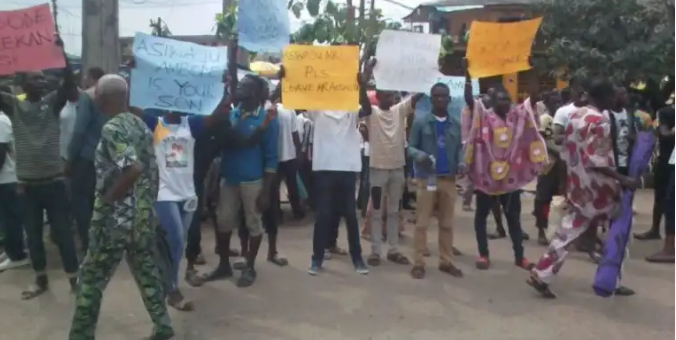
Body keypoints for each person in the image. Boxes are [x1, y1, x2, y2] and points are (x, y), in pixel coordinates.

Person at [69, 74, 174, 340]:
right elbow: (151, 169)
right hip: (140, 219)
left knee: (91, 279)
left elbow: (133, 168)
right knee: (146, 273)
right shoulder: (140, 125)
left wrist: (108, 200)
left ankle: (81, 334)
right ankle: (162, 325)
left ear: (104, 99)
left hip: (114, 221)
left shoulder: (112, 128)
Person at [528, 77, 639, 299]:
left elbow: (567, 152)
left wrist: (567, 181)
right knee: (622, 228)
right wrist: (623, 180)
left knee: (567, 232)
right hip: (601, 189)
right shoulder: (600, 121)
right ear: (605, 97)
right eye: (613, 95)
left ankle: (542, 273)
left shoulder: (575, 115)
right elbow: (598, 160)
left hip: (579, 185)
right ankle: (611, 280)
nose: (615, 99)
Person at [0, 37, 80, 299]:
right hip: (27, 186)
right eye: (35, 78)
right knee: (34, 237)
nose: (42, 81)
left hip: (54, 183)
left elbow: (69, 84)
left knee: (64, 235)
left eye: (43, 78)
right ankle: (41, 281)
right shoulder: (14, 106)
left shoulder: (52, 104)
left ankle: (74, 279)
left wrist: (61, 54)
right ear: (22, 84)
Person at [462, 60, 545, 271]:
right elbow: (469, 100)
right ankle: (483, 254)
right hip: (486, 178)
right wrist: (467, 73)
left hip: (510, 179)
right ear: (492, 101)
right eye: (502, 99)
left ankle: (520, 256)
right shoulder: (484, 116)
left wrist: (534, 71)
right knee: (481, 217)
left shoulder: (516, 116)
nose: (507, 102)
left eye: (508, 98)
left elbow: (532, 99)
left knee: (513, 220)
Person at [201, 73, 278, 288]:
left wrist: (267, 191)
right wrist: (217, 181)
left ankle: (250, 267)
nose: (239, 89)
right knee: (223, 221)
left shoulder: (268, 120)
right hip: (229, 178)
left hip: (253, 181)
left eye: (244, 86)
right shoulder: (232, 115)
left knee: (254, 224)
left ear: (254, 92)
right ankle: (224, 265)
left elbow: (272, 157)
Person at [302, 70, 369, 276]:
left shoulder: (351, 109)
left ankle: (357, 258)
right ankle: (317, 258)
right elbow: (298, 99)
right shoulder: (318, 110)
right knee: (323, 214)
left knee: (350, 214)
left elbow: (367, 109)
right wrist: (289, 78)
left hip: (347, 168)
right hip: (325, 168)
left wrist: (362, 86)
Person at [359, 59, 421, 267]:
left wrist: (431, 71)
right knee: (377, 212)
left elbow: (416, 97)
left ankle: (393, 250)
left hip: (396, 170)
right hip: (377, 170)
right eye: (387, 95)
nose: (392, 98)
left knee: (394, 211)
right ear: (378, 97)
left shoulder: (399, 111)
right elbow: (363, 102)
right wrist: (364, 78)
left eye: (393, 95)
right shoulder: (371, 113)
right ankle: (376, 251)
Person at [408, 82, 464, 279]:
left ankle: (446, 261)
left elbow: (459, 148)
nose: (440, 99)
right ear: (431, 99)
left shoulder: (455, 123)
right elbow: (410, 147)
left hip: (448, 179)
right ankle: (418, 262)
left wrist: (462, 162)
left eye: (444, 96)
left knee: (447, 223)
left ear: (449, 99)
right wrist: (420, 155)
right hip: (428, 178)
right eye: (437, 96)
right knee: (422, 223)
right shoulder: (421, 122)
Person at [65, 66, 107, 253]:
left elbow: (80, 129)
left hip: (87, 158)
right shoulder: (115, 95)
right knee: (103, 200)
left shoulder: (88, 96)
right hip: (108, 158)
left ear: (91, 78)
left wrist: (69, 158)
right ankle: (103, 241)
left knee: (81, 201)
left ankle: (88, 243)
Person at [635, 103, 674, 242]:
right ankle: (655, 229)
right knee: (661, 197)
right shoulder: (665, 112)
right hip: (666, 159)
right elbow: (663, 133)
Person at [0, 89, 29, 272]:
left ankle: (17, 255)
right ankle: (11, 250)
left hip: (7, 178)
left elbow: (1, 155)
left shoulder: (1, 121)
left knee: (10, 219)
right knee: (7, 219)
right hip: (5, 178)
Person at [532, 91, 565, 245]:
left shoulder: (561, 119)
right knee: (542, 198)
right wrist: (560, 154)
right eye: (554, 102)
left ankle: (555, 231)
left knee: (559, 199)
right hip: (548, 165)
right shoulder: (545, 119)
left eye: (559, 102)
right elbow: (543, 142)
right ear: (547, 104)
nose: (557, 105)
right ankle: (541, 229)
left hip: (561, 165)